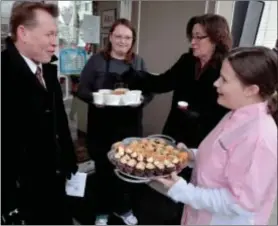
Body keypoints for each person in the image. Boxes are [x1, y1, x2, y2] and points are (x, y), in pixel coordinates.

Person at [156, 46, 278, 225]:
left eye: (224, 80)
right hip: (200, 214)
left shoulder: (260, 138)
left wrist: (182, 190)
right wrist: (191, 155)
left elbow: (238, 203)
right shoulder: (236, 113)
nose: (216, 83)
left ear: (251, 90)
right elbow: (223, 157)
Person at [128, 14, 232, 182]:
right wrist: (135, 76)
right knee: (171, 180)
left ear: (216, 38)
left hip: (204, 138)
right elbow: (163, 83)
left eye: (199, 37)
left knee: (197, 185)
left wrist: (198, 116)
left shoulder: (227, 68)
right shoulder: (187, 61)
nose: (192, 42)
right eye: (192, 36)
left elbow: (228, 111)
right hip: (176, 131)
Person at [2, 2, 77, 225]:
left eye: (56, 34)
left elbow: (59, 118)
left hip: (55, 180)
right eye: (49, 34)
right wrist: (7, 201)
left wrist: (69, 157)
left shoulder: (47, 69)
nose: (55, 42)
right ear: (23, 33)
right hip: (22, 192)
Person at [77, 18, 152, 225]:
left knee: (126, 171)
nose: (122, 41)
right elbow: (81, 89)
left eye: (127, 37)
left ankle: (123, 208)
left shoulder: (138, 62)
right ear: (110, 37)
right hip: (101, 125)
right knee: (103, 170)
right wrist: (94, 99)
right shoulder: (96, 61)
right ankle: (102, 211)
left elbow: (148, 91)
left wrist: (141, 101)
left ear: (132, 40)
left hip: (129, 126)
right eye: (118, 36)